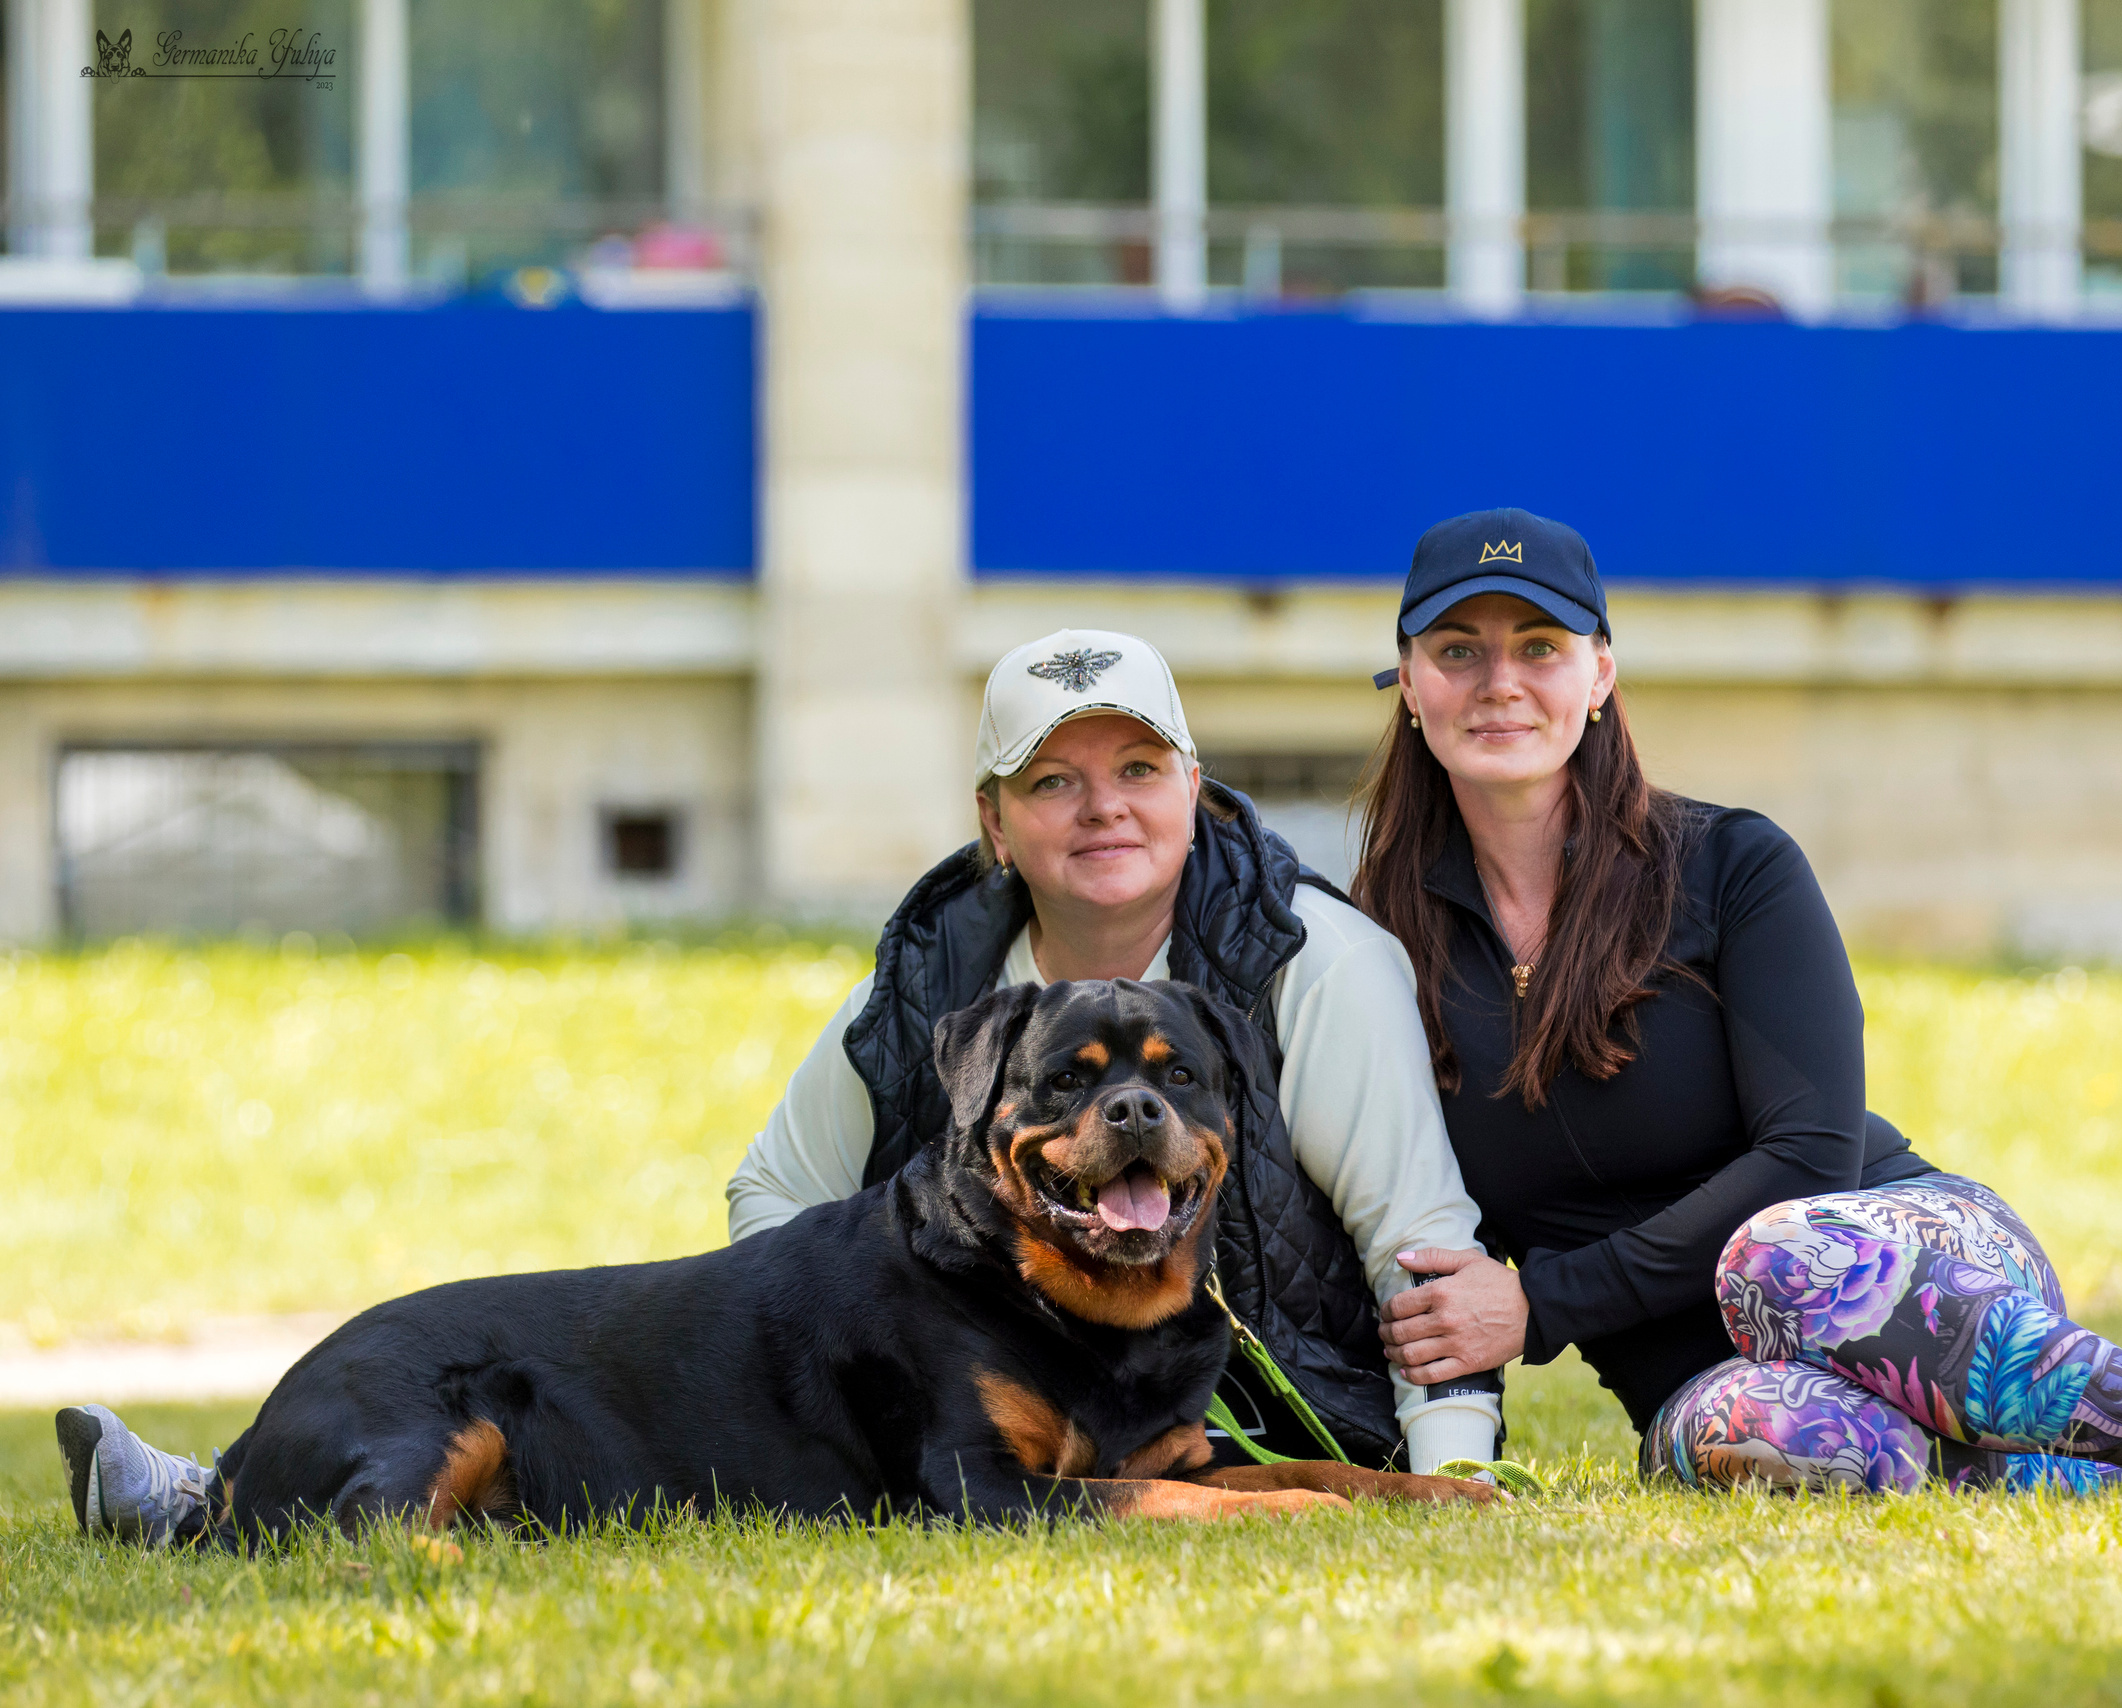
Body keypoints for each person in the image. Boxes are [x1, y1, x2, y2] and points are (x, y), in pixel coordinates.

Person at [61, 628, 1505, 1545]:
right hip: (937, 1365)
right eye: (1054, 783)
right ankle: (222, 1505)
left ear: (1196, 787)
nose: (1104, 807)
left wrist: (1442, 1469)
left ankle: (206, 1502)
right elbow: (779, 1190)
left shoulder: (1315, 962)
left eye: (1137, 768)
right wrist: (779, 1368)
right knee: (429, 1429)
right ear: (993, 822)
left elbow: (1418, 1239)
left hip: (1264, 1389)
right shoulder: (938, 983)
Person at [1356, 508, 2122, 1515]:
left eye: (1540, 646)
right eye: (1458, 649)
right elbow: (1403, 1220)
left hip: (1897, 1250)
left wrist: (1542, 1300)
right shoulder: (1375, 947)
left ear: (1599, 675)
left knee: (1781, 1253)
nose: (1499, 680)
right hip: (1720, 1375)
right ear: (1408, 682)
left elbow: (1808, 1156)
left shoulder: (1729, 866)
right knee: (1742, 1431)